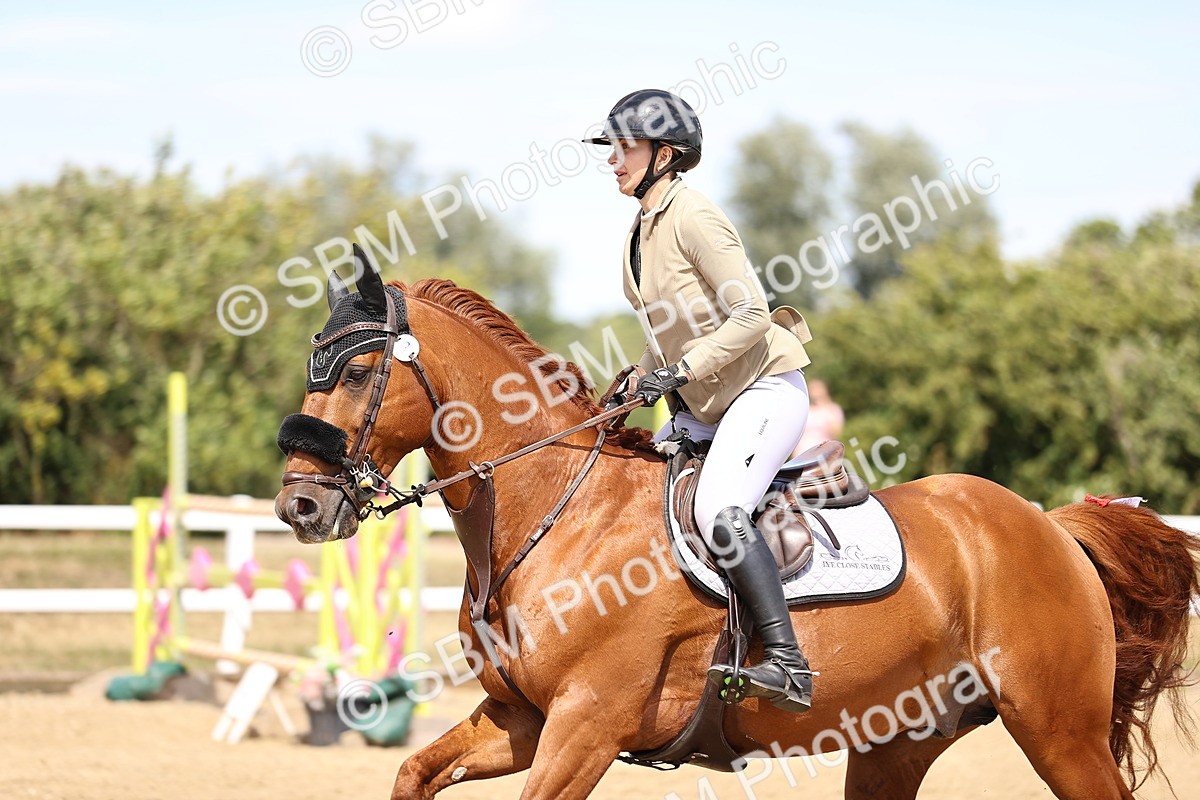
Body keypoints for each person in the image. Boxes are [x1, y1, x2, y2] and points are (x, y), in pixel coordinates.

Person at [585, 89, 818, 713]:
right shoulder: (640, 225)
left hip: (762, 389)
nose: (612, 160)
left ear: (664, 153)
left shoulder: (695, 217)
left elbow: (750, 313)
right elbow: (666, 330)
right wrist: (638, 380)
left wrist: (681, 370)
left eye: (623, 148)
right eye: (611, 148)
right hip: (705, 405)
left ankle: (788, 664)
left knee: (719, 508)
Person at [793, 379, 844, 457]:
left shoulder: (833, 409)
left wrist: (825, 407)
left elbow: (836, 432)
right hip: (803, 453)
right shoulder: (806, 410)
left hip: (824, 454)